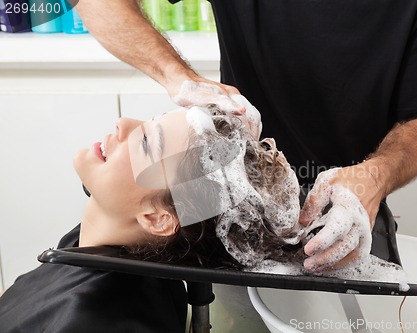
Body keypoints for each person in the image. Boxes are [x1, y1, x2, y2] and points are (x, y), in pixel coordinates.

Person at [75, 0, 417, 272]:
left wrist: (375, 176)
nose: (124, 125)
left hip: (351, 204)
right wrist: (177, 76)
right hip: (221, 214)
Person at [0, 100, 313, 332]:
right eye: (149, 123)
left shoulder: (93, 321)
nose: (122, 123)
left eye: (146, 143)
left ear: (158, 219)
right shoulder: (91, 243)